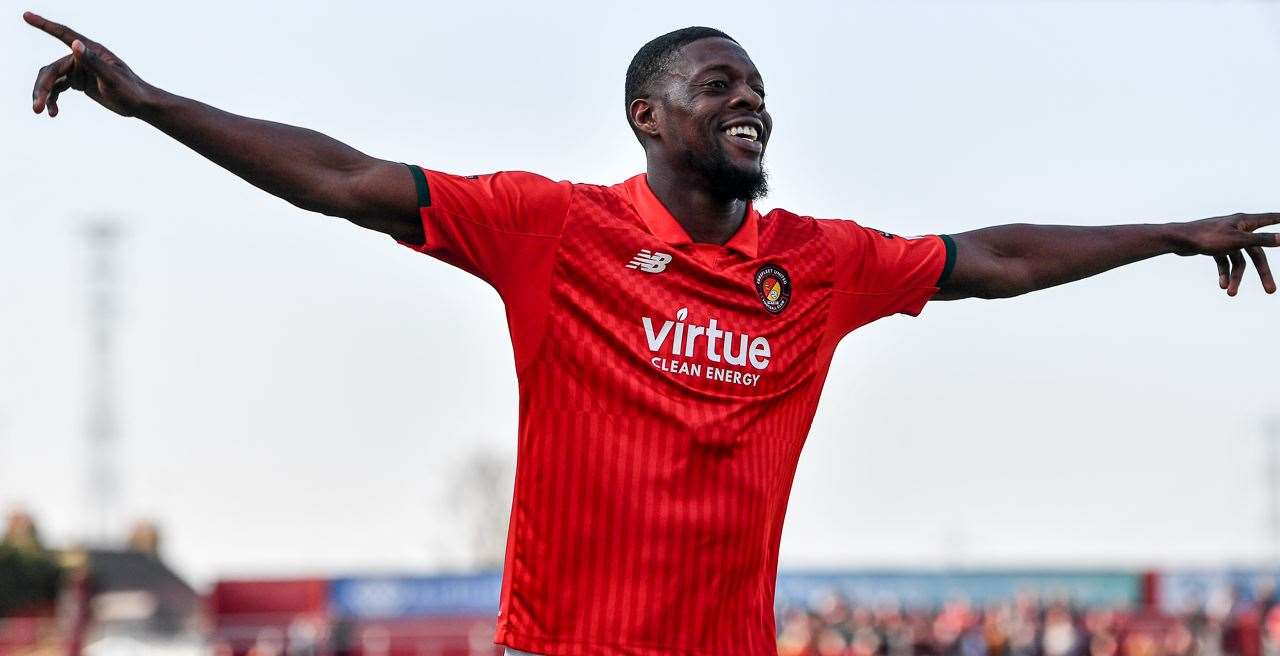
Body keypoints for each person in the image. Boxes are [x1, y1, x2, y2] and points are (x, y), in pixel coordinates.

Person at [23, 14, 1277, 656]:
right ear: (645, 113)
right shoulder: (550, 230)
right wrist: (149, 101)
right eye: (718, 84)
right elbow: (346, 179)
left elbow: (989, 258)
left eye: (760, 89)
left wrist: (1167, 233)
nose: (752, 101)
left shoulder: (815, 263)